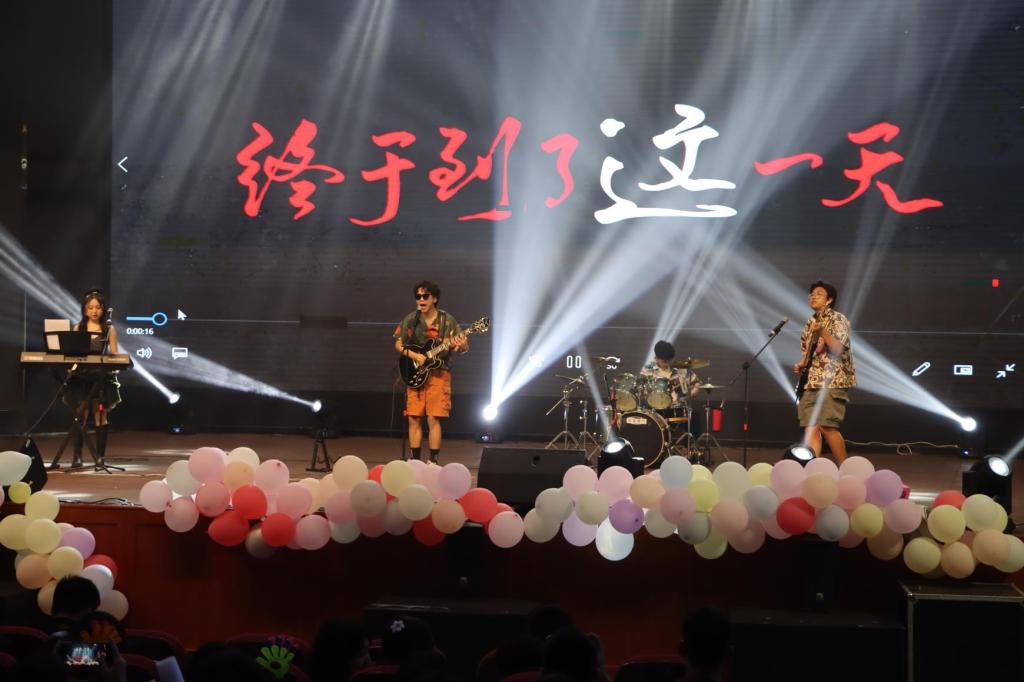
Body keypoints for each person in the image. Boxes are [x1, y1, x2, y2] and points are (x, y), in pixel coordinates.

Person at [393, 281, 468, 463]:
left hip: (439, 374)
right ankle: (415, 461)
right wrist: (414, 356)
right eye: (418, 296)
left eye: (425, 296)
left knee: (433, 418)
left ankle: (433, 461)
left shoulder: (447, 320)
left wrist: (462, 345)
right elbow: (398, 344)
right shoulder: (411, 319)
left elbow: (461, 348)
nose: (421, 300)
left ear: (434, 298)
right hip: (416, 373)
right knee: (413, 417)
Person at [792, 281, 856, 464]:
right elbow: (808, 351)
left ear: (829, 300)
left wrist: (823, 332)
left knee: (827, 426)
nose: (813, 297)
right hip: (811, 380)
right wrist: (801, 363)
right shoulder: (811, 321)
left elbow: (838, 349)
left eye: (819, 294)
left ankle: (844, 467)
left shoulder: (838, 319)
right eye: (811, 294)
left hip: (833, 379)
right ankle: (813, 468)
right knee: (811, 428)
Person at [62, 288, 121, 467]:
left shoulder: (108, 329)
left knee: (100, 415)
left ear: (103, 309)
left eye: (98, 307)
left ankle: (100, 457)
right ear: (85, 310)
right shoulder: (78, 328)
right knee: (80, 415)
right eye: (91, 307)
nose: (94, 311)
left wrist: (114, 364)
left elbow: (115, 354)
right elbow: (73, 354)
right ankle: (77, 456)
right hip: (81, 377)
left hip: (100, 376)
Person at [640, 340, 701, 408]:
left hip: (675, 408)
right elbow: (640, 388)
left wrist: (692, 393)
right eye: (664, 361)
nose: (667, 363)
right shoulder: (647, 369)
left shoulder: (679, 369)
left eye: (669, 360)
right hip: (653, 407)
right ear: (656, 358)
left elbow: (697, 383)